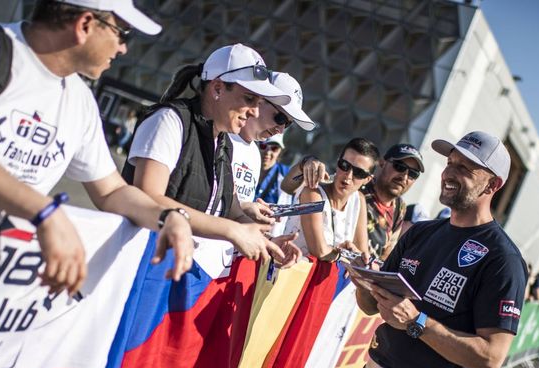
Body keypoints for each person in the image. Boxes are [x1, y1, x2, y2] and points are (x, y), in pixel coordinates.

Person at [0, 0, 195, 295]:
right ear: (86, 24)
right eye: (122, 34)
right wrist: (45, 213)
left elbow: (112, 191)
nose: (123, 49)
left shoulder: (80, 100)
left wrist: (169, 216)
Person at [327, 131, 528, 368]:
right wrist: (364, 278)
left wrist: (417, 322)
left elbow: (492, 358)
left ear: (493, 185)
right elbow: (369, 307)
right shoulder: (420, 233)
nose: (449, 173)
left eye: (465, 168)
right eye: (450, 163)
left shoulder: (502, 258)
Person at [122, 43, 300, 266]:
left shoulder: (222, 142)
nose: (255, 111)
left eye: (259, 102)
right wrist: (231, 231)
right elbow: (147, 197)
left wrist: (269, 243)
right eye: (249, 99)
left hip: (173, 263)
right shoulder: (169, 120)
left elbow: (233, 211)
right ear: (217, 88)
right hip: (140, 258)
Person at [230, 71, 316, 225]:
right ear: (259, 99)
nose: (281, 130)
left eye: (288, 123)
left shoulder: (254, 155)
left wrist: (270, 241)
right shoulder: (221, 139)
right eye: (280, 118)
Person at [284, 137, 378, 261]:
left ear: (367, 179)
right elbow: (319, 251)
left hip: (326, 278)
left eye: (358, 173)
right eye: (344, 165)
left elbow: (362, 254)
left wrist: (354, 253)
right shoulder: (314, 193)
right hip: (291, 272)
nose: (348, 176)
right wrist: (347, 256)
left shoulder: (359, 200)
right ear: (338, 162)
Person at [363, 144, 424, 260]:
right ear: (382, 163)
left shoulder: (399, 207)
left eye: (413, 174)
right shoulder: (359, 185)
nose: (404, 177)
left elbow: (386, 253)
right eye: (399, 166)